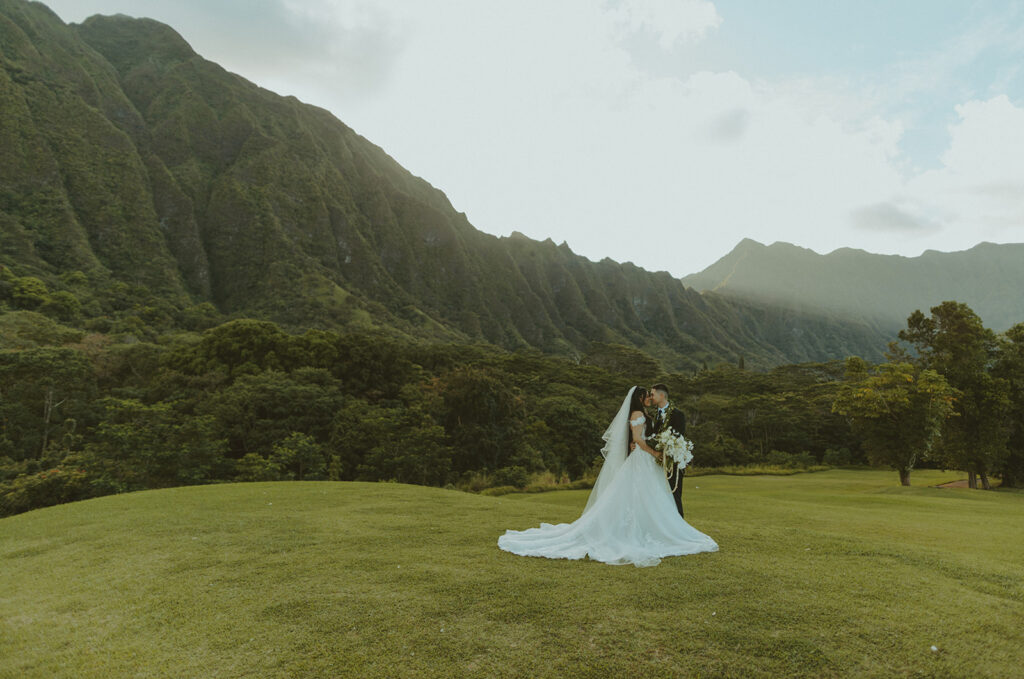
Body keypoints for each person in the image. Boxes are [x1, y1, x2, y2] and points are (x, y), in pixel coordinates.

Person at [496, 386, 717, 567]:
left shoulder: (648, 414)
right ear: (640, 398)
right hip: (644, 459)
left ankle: (658, 527)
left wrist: (654, 449)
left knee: (649, 497)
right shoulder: (638, 414)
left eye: (652, 394)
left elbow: (642, 438)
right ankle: (647, 531)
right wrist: (655, 453)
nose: (649, 398)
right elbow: (639, 440)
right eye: (646, 395)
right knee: (641, 495)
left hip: (646, 461)